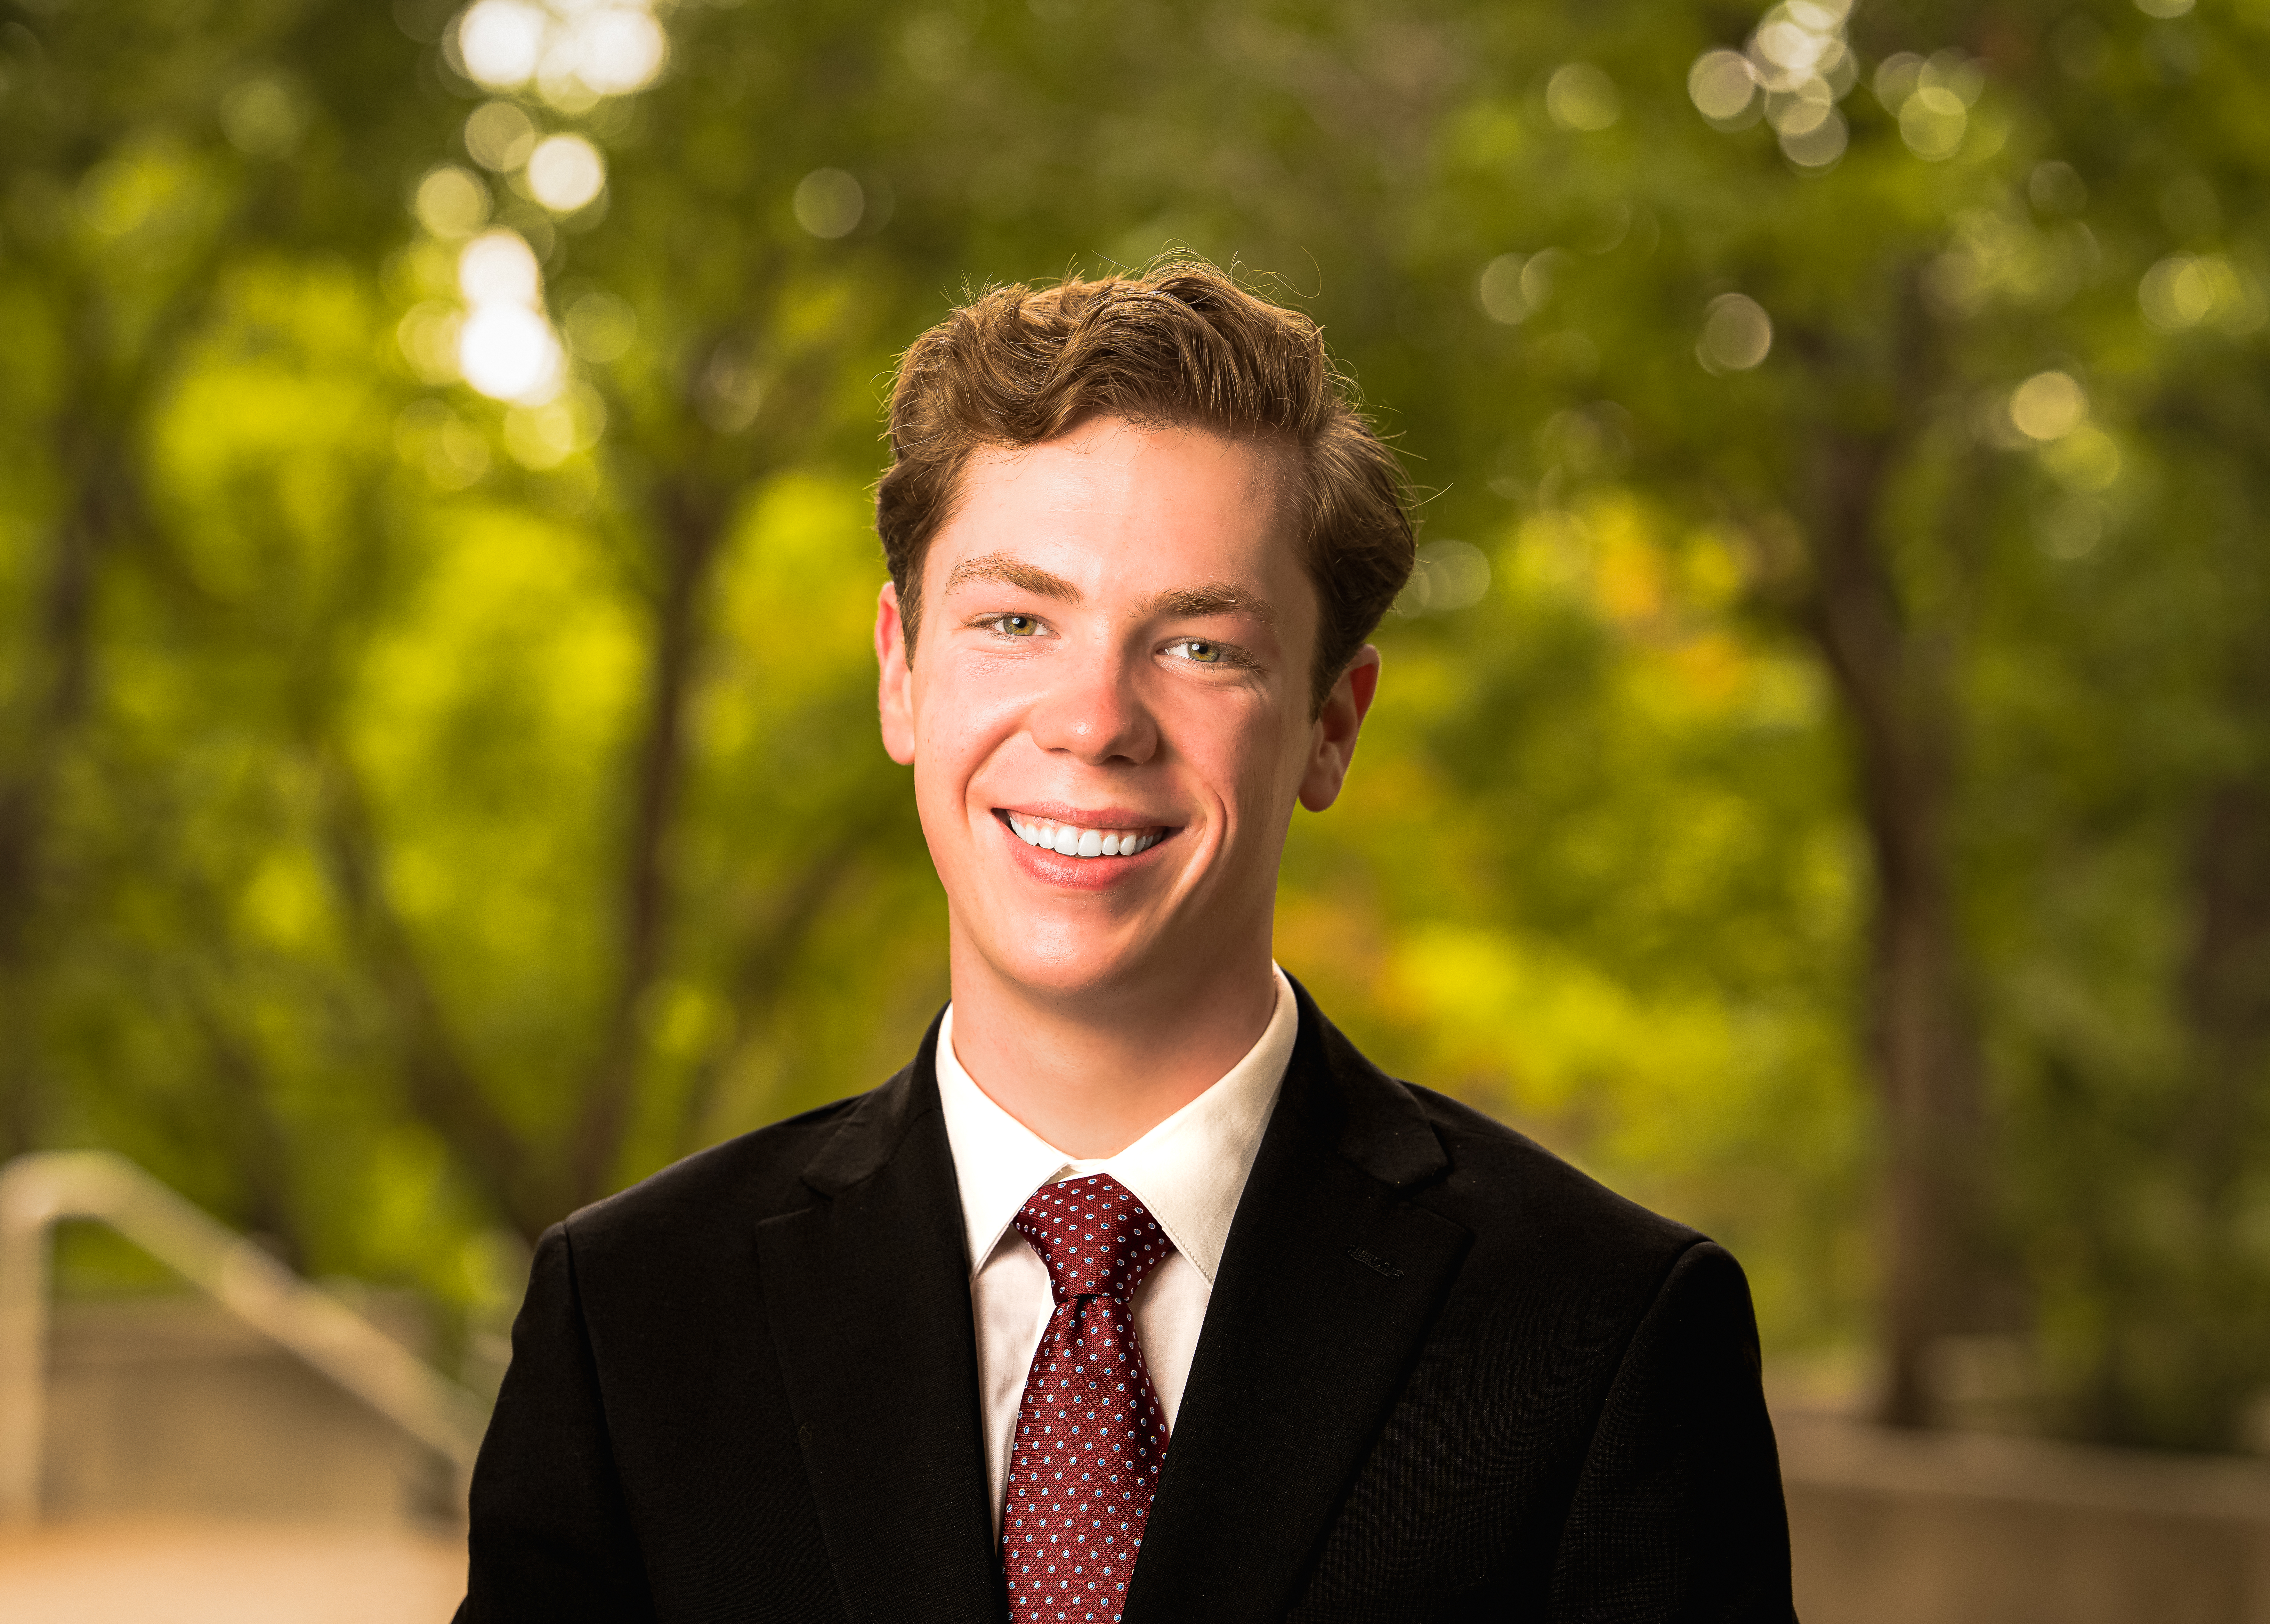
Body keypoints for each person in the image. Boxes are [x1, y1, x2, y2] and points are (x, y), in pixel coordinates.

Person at [455, 261, 1795, 1622]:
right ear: (900, 672)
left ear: (1332, 722)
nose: (1095, 719)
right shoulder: (630, 1323)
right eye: (1016, 621)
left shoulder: (1606, 1337)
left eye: (1201, 646)